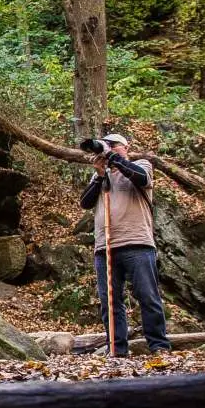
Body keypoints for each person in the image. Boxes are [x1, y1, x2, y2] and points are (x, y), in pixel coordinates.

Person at [79, 133, 170, 357]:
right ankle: (117, 349)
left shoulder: (141, 165)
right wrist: (100, 175)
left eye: (114, 145)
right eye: (105, 144)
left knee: (147, 295)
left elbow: (141, 178)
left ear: (126, 147)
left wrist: (113, 157)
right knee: (109, 300)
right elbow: (85, 203)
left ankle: (159, 346)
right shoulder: (101, 174)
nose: (108, 148)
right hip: (105, 246)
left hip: (136, 241)